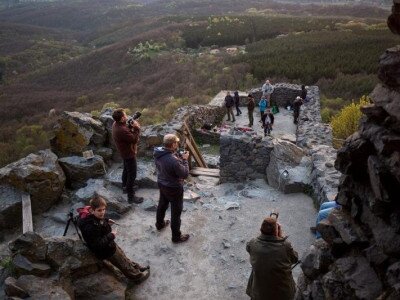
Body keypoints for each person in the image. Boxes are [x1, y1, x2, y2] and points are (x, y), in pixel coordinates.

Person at [78, 195, 150, 283]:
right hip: (106, 251)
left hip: (109, 244)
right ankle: (137, 277)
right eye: (99, 210)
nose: (102, 212)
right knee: (122, 263)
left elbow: (98, 220)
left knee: (123, 257)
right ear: (92, 210)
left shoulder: (92, 215)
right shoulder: (90, 227)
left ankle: (135, 267)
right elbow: (97, 244)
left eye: (104, 209)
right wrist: (111, 235)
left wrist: (106, 220)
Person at [246, 216, 298, 300]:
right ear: (276, 231)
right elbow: (295, 259)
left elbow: (250, 247)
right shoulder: (285, 246)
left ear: (261, 230)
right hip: (283, 294)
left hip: (259, 293)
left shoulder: (252, 243)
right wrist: (280, 238)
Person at [154, 134, 190, 243]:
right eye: (176, 143)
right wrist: (184, 160)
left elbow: (168, 159)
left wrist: (176, 155)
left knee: (162, 204)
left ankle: (159, 225)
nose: (178, 144)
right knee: (175, 212)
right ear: (173, 144)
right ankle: (176, 237)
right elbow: (184, 174)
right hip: (174, 187)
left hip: (162, 183)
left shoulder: (158, 152)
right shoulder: (173, 161)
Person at [112, 108, 143, 204]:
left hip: (124, 152)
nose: (126, 117)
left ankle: (125, 187)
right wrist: (137, 128)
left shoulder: (116, 124)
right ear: (121, 119)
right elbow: (134, 139)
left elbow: (127, 132)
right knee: (132, 175)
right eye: (125, 116)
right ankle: (131, 197)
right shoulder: (121, 130)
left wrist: (130, 126)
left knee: (126, 170)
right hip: (129, 154)